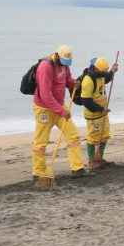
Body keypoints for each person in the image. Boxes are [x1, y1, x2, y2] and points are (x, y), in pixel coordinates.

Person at [32, 45, 85, 189]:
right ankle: (39, 171)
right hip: (44, 108)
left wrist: (75, 83)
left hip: (59, 106)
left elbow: (67, 81)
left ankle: (77, 168)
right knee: (41, 142)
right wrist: (61, 111)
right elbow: (45, 94)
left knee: (73, 135)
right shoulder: (45, 67)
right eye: (63, 62)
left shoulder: (64, 66)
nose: (65, 65)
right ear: (57, 56)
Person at [78, 57, 119, 171]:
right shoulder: (88, 80)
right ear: (96, 69)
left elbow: (107, 78)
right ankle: (92, 161)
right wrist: (101, 109)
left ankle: (99, 158)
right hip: (93, 115)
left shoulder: (100, 75)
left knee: (104, 136)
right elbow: (86, 101)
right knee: (93, 138)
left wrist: (112, 71)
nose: (104, 73)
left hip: (103, 113)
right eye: (103, 71)